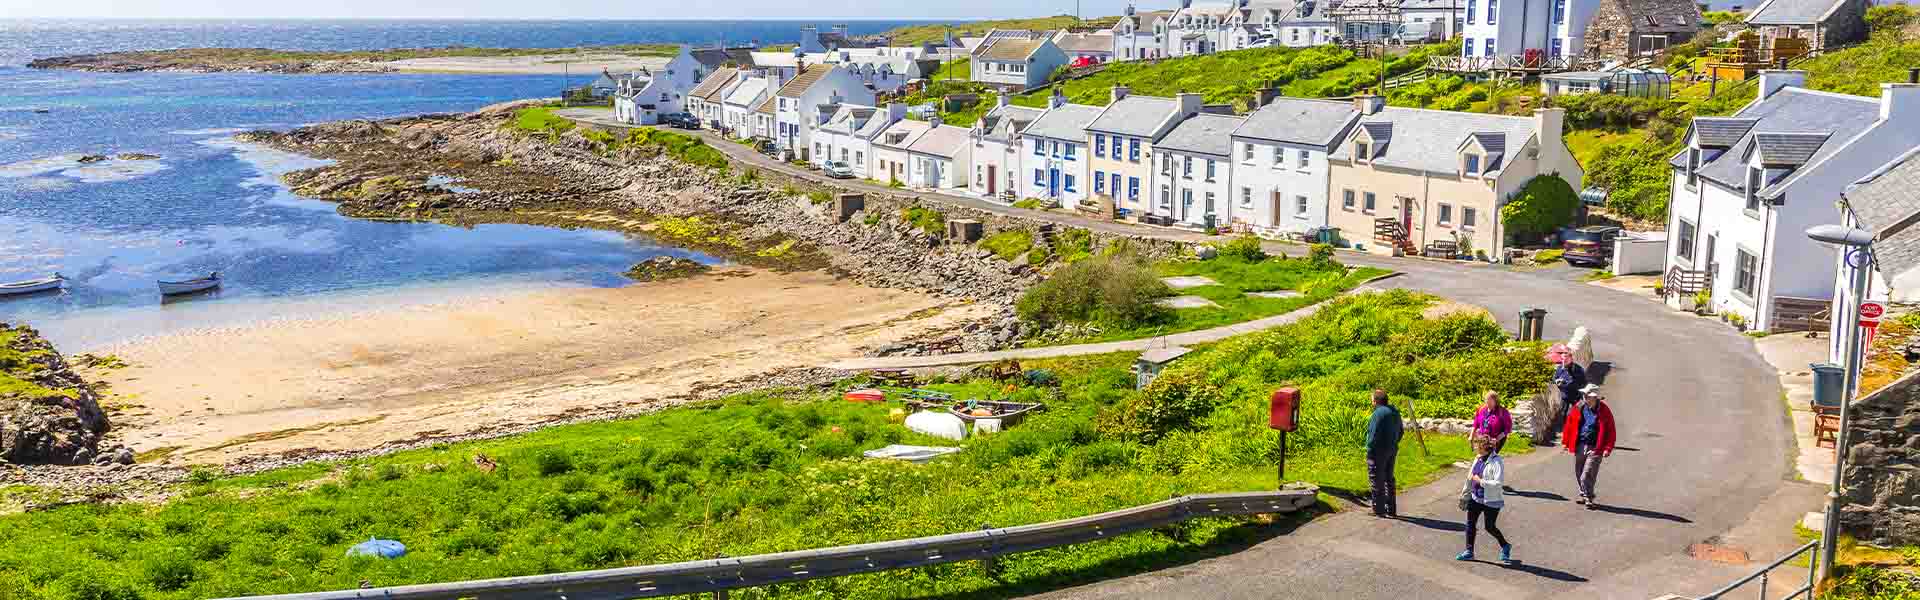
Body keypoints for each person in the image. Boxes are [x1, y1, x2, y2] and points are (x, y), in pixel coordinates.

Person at [1456, 435, 1512, 564]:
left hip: (1490, 500)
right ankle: (1469, 551)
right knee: (1470, 523)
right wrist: (1465, 494)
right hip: (1475, 497)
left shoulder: (1497, 462)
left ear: (1483, 447)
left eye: (1476, 445)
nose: (1474, 447)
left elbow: (1497, 483)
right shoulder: (1478, 458)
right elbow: (1470, 477)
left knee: (1490, 527)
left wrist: (1481, 481)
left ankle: (1505, 545)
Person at [1562, 384, 1617, 508]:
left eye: (1588, 396)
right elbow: (1569, 424)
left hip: (1596, 447)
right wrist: (1566, 442)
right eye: (1585, 396)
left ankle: (1588, 497)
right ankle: (1584, 493)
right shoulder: (1579, 407)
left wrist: (1608, 448)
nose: (1585, 398)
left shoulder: (1604, 410)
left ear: (1595, 398)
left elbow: (1611, 430)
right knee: (1579, 471)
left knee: (1587, 473)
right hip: (1580, 444)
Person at [1364, 389, 1404, 517]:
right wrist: (1394, 442)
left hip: (1378, 451)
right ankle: (1391, 508)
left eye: (1372, 400)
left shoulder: (1378, 414)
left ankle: (1378, 509)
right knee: (1388, 478)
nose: (1372, 403)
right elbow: (1401, 431)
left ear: (1375, 401)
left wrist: (1369, 448)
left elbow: (1373, 434)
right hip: (1392, 449)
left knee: (1376, 479)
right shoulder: (1394, 412)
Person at [1547, 349, 1587, 444]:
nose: (1564, 362)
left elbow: (1580, 383)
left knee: (1577, 415)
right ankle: (1565, 435)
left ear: (1571, 358)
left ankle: (1578, 435)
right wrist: (1557, 381)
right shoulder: (1561, 368)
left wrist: (1566, 383)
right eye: (1563, 360)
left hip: (1576, 396)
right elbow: (1555, 378)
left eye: (1566, 359)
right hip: (1565, 395)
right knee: (1563, 415)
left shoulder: (1577, 369)